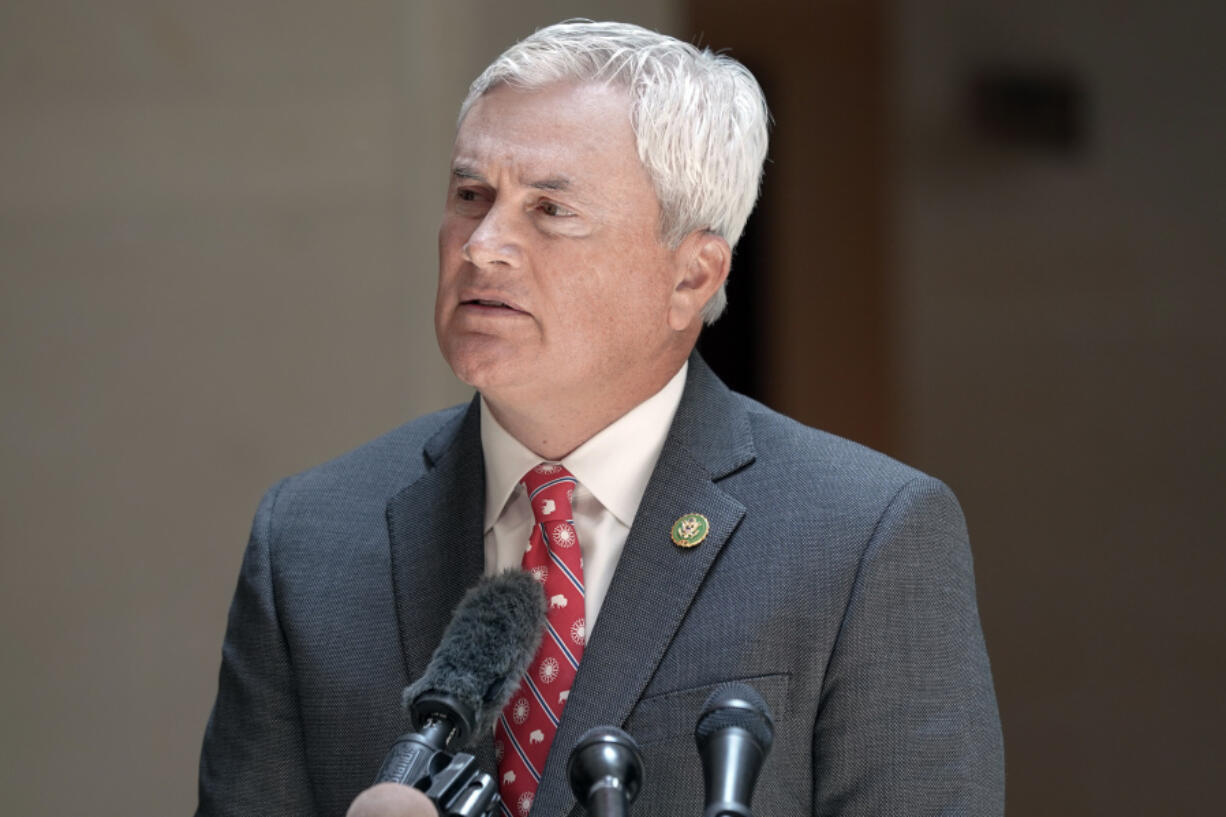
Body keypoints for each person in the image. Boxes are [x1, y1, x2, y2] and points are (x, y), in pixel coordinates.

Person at [196, 20, 1004, 817]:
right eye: (471, 196)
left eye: (549, 209)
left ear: (691, 275)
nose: (482, 247)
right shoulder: (309, 539)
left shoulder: (863, 536)